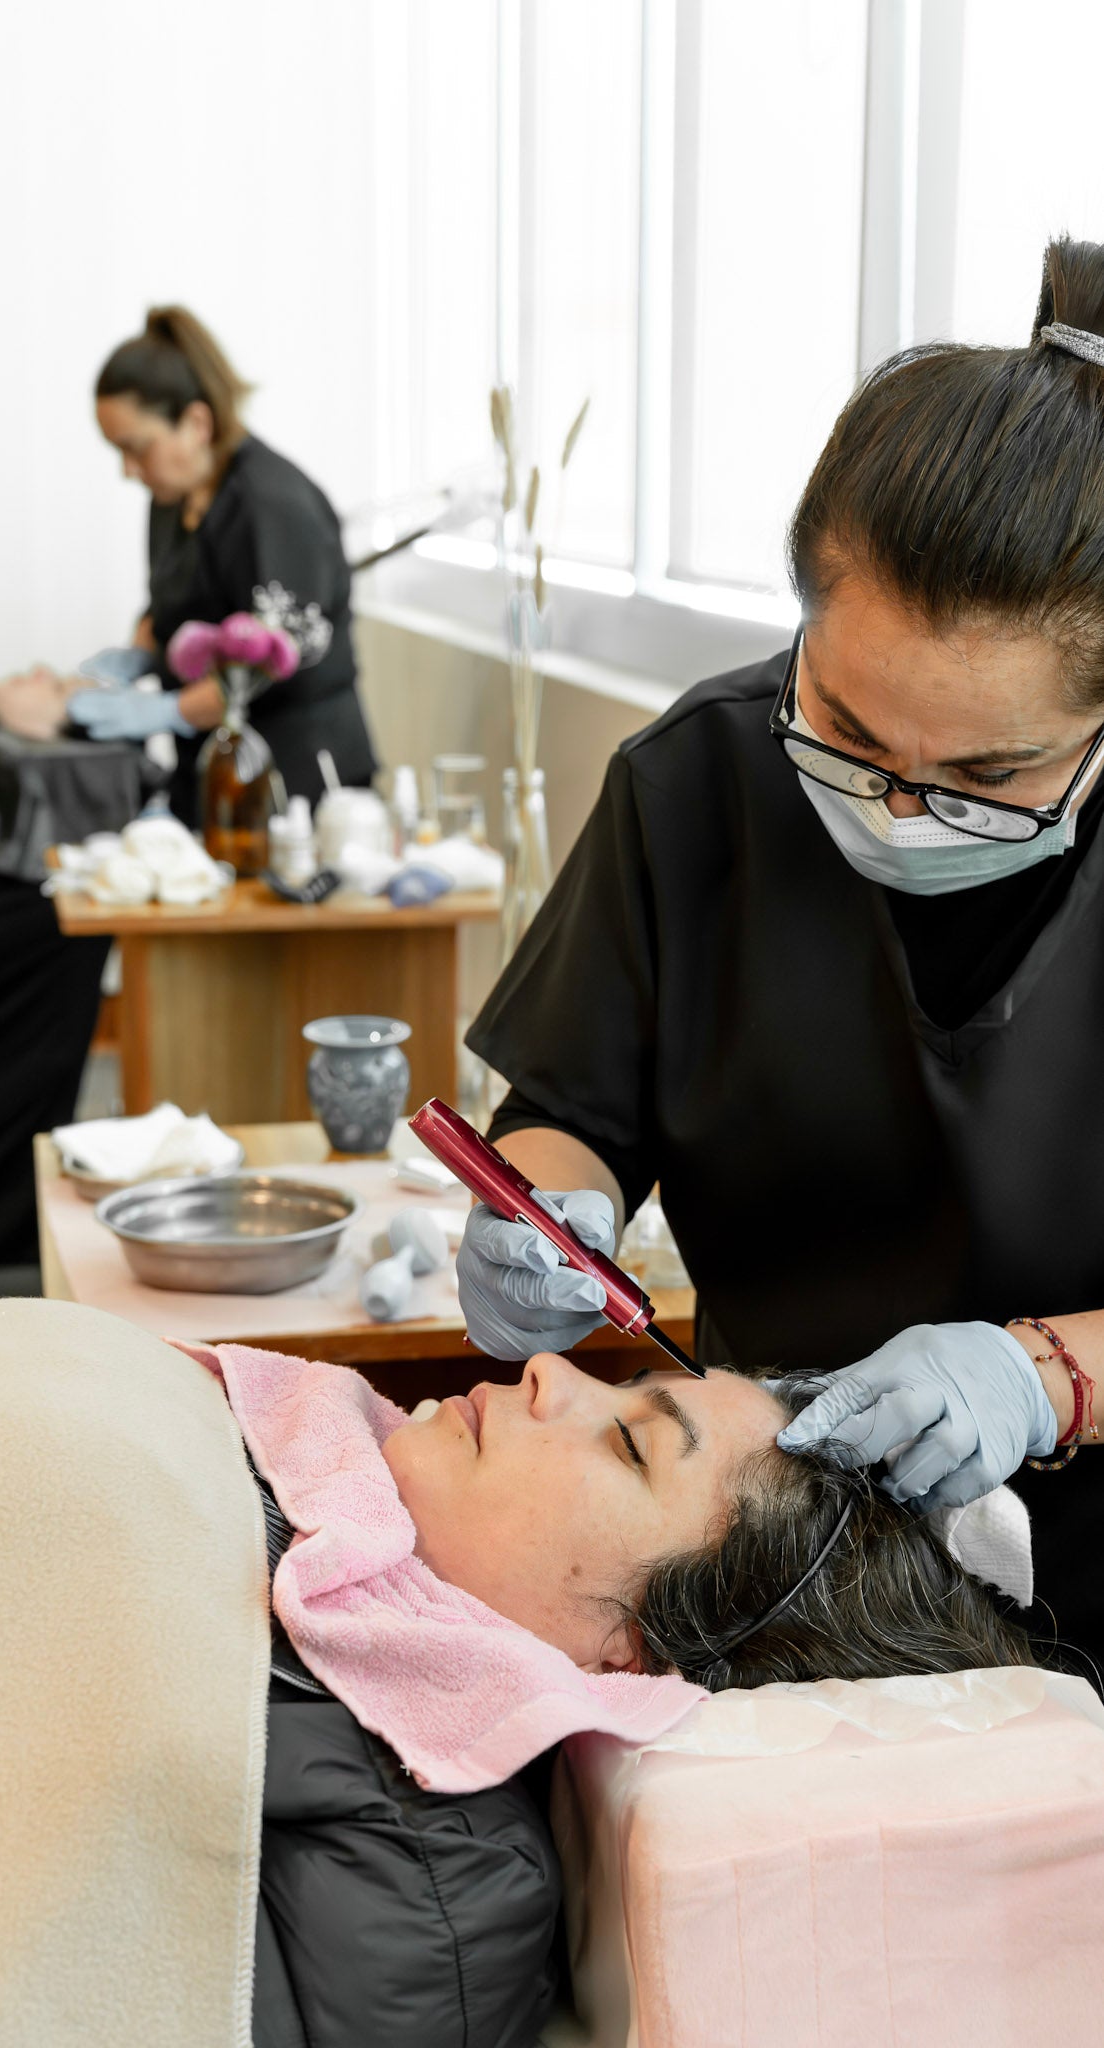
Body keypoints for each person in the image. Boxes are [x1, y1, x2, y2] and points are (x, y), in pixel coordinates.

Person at [458, 233, 1104, 1667]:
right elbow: (572, 1110)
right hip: (792, 1597)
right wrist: (547, 1209)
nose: (892, 803)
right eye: (852, 732)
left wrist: (1046, 1373)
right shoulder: (697, 782)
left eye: (985, 775)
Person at [252, 1347, 1039, 2045]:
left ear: (633, 1661)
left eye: (632, 1444)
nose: (549, 1369)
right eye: (624, 1382)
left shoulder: (416, 1900)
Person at [69, 305, 377, 825]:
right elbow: (167, 603)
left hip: (297, 782)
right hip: (214, 772)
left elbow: (266, 661)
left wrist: (163, 712)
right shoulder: (172, 497)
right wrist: (139, 656)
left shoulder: (272, 506)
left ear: (196, 422)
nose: (128, 470)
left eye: (136, 448)